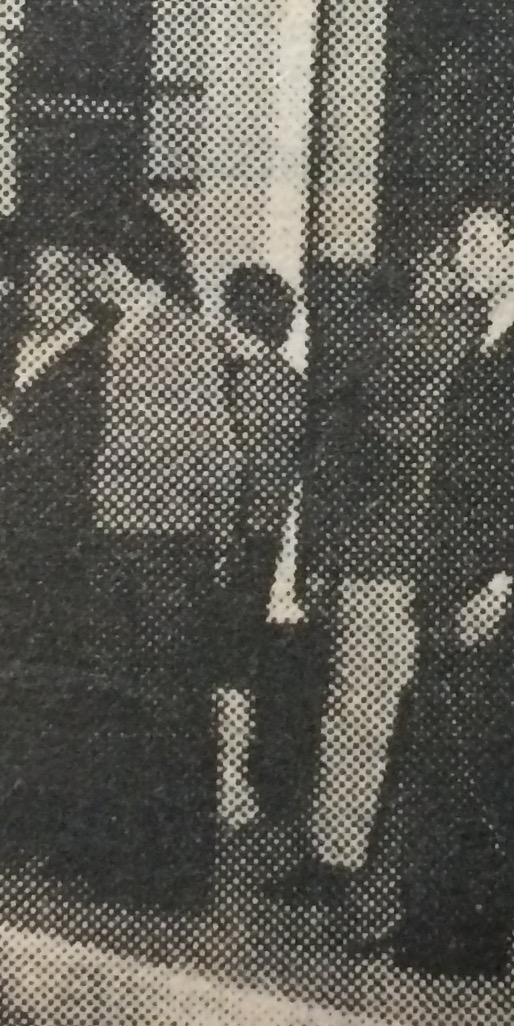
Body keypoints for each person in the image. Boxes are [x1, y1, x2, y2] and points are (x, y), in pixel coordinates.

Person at [379, 194, 514, 980]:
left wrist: (503, 582)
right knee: (442, 749)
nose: (462, 253)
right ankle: (428, 919)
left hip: (496, 590)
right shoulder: (487, 335)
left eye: (477, 238)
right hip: (451, 580)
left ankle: (470, 935)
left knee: (482, 754)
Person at [268, 230, 473, 915]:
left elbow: (398, 427)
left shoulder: (460, 337)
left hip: (405, 552)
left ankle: (352, 861)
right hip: (368, 547)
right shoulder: (401, 334)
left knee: (372, 709)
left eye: (442, 258)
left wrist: (363, 407)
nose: (428, 269)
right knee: (350, 708)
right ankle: (335, 851)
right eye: (424, 258)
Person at [49, 201, 238, 912]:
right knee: (111, 701)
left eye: (92, 259)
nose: (81, 271)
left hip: (167, 546)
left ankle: (176, 876)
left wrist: (215, 557)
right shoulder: (111, 334)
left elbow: (220, 455)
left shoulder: (184, 335)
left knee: (169, 712)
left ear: (122, 261)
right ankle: (117, 855)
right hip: (112, 540)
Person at [0, 225, 110, 871]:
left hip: (51, 547)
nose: (40, 290)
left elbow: (86, 455)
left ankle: (37, 823)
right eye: (34, 277)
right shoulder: (1, 341)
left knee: (40, 689)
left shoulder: (98, 353)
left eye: (57, 279)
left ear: (82, 286)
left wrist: (15, 430)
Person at [212, 263, 309, 836]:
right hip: (278, 542)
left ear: (234, 317)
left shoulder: (242, 385)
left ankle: (233, 788)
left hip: (245, 542)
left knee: (232, 670)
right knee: (267, 671)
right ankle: (258, 789)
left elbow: (236, 478)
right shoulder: (293, 383)